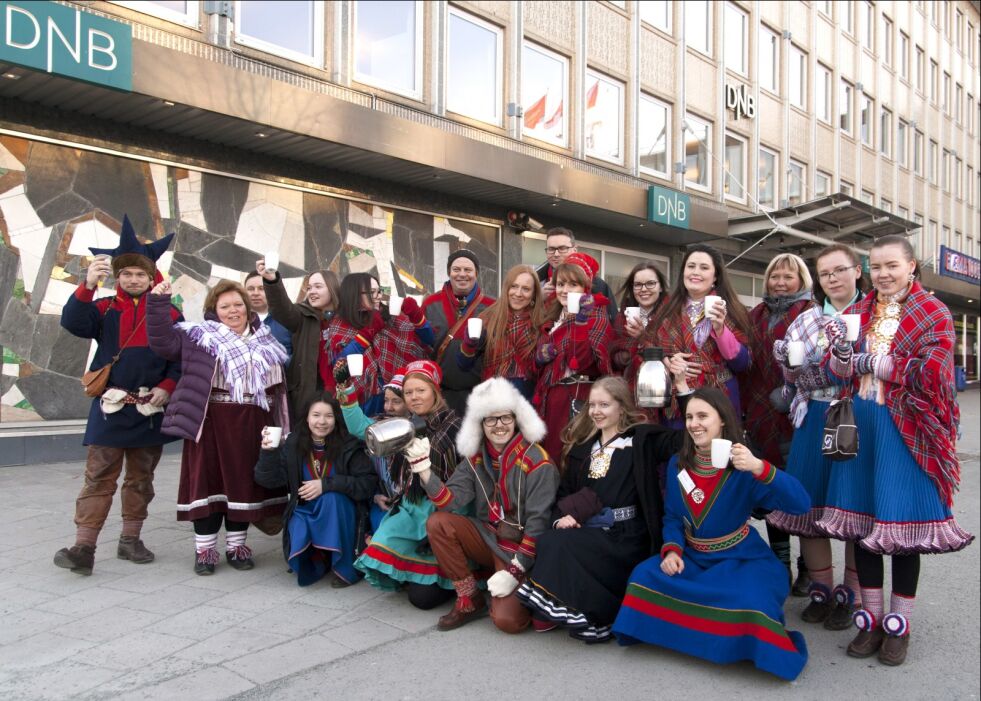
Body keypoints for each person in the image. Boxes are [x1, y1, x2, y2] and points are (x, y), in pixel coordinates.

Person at [818, 235, 973, 666]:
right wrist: (844, 355)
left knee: (903, 529)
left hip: (907, 427)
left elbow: (936, 372)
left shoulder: (932, 311)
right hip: (862, 424)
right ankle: (871, 619)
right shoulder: (858, 311)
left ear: (911, 267)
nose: (883, 274)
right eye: (877, 266)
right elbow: (838, 369)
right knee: (867, 525)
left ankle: (898, 628)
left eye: (892, 266)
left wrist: (879, 364)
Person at [612, 388, 811, 681]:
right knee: (643, 577)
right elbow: (672, 518)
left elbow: (801, 504)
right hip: (693, 557)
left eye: (703, 416)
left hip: (742, 559)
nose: (694, 423)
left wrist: (760, 467)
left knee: (752, 604)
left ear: (722, 422)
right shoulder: (678, 464)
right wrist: (672, 550)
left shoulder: (744, 466)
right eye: (690, 417)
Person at [517, 376, 688, 643]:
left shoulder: (641, 440)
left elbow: (686, 439)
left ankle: (599, 616)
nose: (596, 411)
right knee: (551, 540)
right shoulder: (583, 447)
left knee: (565, 547)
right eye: (592, 404)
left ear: (622, 406)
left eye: (604, 405)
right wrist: (562, 518)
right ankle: (591, 615)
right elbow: (565, 492)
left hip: (628, 535)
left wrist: (685, 390)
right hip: (592, 529)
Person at [54, 216, 181, 576]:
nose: (133, 279)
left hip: (148, 410)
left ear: (151, 275)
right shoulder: (104, 308)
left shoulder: (170, 312)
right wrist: (87, 286)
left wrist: (167, 388)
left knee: (141, 479)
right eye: (126, 273)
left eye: (140, 274)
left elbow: (178, 360)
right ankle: (83, 547)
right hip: (110, 409)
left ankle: (130, 540)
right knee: (98, 477)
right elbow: (72, 323)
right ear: (118, 276)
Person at [147, 279, 289, 574]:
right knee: (209, 485)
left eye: (238, 304)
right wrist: (159, 304)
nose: (233, 311)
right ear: (214, 309)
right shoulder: (200, 336)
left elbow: (278, 390)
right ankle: (205, 552)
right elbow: (163, 344)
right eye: (225, 306)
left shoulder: (266, 340)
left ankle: (236, 547)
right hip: (212, 422)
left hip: (253, 423)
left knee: (243, 485)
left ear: (247, 307)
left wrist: (281, 427)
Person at [767, 245, 868, 630]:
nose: (833, 279)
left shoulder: (873, 316)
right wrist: (791, 367)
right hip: (812, 417)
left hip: (859, 416)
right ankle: (822, 589)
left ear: (857, 271)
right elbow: (790, 380)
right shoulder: (806, 319)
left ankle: (850, 594)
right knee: (807, 505)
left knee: (852, 507)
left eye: (840, 270)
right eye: (825, 273)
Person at [416, 377, 560, 633]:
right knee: (438, 523)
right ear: (480, 423)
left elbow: (538, 525)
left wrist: (515, 571)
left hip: (522, 549)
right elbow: (450, 501)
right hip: (488, 536)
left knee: (509, 623)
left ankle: (528, 590)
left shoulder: (538, 462)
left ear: (517, 420)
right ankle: (469, 598)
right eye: (490, 419)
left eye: (505, 417)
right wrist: (424, 470)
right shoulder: (475, 458)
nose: (499, 425)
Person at [354, 360, 462, 609]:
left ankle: (456, 582)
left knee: (421, 600)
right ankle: (416, 573)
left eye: (420, 391)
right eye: (409, 392)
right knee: (381, 549)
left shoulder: (453, 424)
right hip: (414, 506)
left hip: (446, 509)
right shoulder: (406, 425)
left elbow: (447, 477)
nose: (413, 397)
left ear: (435, 391)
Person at [739, 254, 816, 592]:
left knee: (800, 492)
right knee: (770, 491)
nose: (781, 282)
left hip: (798, 415)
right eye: (775, 277)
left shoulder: (813, 314)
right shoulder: (754, 315)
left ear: (802, 280)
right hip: (758, 414)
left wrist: (792, 390)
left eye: (789, 276)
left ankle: (809, 566)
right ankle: (781, 564)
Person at [255, 393, 376, 587]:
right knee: (299, 518)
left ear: (336, 419)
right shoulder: (294, 443)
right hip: (306, 508)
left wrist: (326, 485)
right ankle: (319, 560)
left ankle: (345, 567)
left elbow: (368, 484)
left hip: (341, 511)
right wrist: (268, 452)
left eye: (328, 416)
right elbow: (268, 480)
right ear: (307, 418)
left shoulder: (349, 445)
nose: (322, 421)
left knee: (332, 499)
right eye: (316, 415)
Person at [653, 244, 753, 425]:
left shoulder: (733, 310)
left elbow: (742, 363)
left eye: (704, 267)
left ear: (715, 276)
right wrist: (668, 362)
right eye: (691, 266)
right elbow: (651, 350)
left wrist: (720, 329)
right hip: (677, 400)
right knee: (679, 451)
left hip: (720, 397)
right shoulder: (666, 310)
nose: (695, 272)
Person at [533, 252, 615, 462]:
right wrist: (541, 356)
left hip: (579, 397)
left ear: (585, 287)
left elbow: (583, 361)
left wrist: (579, 323)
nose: (565, 290)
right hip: (552, 398)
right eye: (561, 284)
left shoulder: (595, 315)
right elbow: (538, 360)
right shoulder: (553, 316)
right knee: (548, 455)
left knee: (571, 457)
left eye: (572, 284)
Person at [327, 273, 431, 414]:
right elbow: (341, 363)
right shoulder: (340, 324)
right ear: (353, 294)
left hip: (397, 396)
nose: (377, 296)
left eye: (379, 291)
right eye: (371, 292)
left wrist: (417, 317)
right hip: (362, 402)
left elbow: (429, 341)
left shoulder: (390, 317)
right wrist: (367, 333)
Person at [257, 259, 340, 422]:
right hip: (307, 394)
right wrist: (271, 280)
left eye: (318, 286)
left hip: (341, 394)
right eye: (309, 288)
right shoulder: (302, 315)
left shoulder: (346, 319)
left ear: (333, 288)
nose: (311, 291)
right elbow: (281, 308)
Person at [456, 264, 545, 401]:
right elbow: (463, 365)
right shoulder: (487, 318)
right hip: (493, 401)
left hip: (528, 404)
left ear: (534, 294)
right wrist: (469, 343)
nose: (518, 293)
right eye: (514, 286)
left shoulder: (542, 322)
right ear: (506, 288)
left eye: (526, 289)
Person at [422, 249, 495, 414]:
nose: (462, 274)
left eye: (468, 270)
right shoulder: (431, 303)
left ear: (476, 273)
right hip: (439, 395)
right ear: (449, 272)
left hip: (479, 396)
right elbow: (420, 346)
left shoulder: (492, 306)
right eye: (456, 269)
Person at [337, 373, 411, 532]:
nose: (388, 407)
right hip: (384, 502)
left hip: (413, 507)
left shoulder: (419, 430)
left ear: (410, 403)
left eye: (396, 401)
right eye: (386, 400)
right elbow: (357, 425)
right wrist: (345, 389)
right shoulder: (379, 426)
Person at [610, 262, 669, 415]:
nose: (643, 289)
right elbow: (612, 352)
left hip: (663, 396)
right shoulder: (623, 316)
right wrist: (624, 356)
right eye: (638, 285)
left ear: (661, 287)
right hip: (629, 394)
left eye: (650, 284)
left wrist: (643, 338)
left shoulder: (673, 315)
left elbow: (673, 352)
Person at [536, 227, 617, 323]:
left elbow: (611, 321)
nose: (556, 254)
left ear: (574, 250)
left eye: (562, 248)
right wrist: (538, 298)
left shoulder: (597, 284)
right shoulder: (537, 281)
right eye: (551, 249)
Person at [245, 271, 293, 363]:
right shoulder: (235, 321)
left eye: (261, 288)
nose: (255, 293)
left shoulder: (286, 320)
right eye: (251, 289)